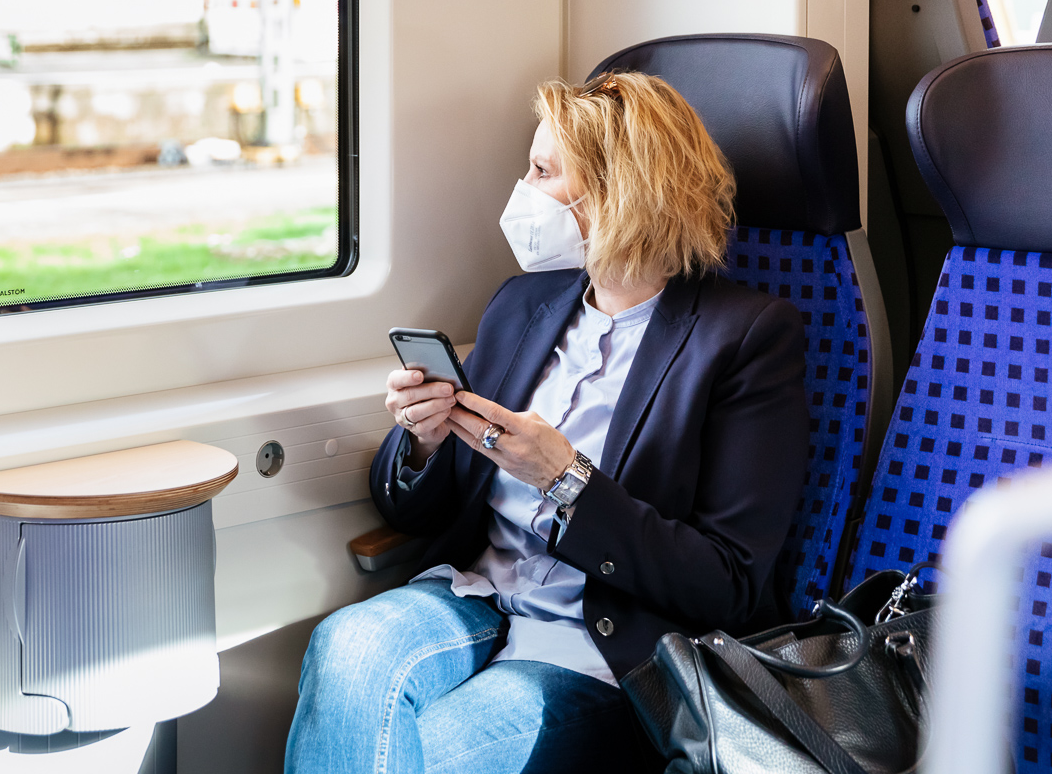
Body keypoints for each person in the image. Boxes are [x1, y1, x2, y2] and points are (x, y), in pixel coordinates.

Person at [285, 71, 810, 774]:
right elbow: (415, 509)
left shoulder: (744, 337)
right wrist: (424, 439)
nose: (522, 191)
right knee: (345, 646)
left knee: (429, 758)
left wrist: (566, 480)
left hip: (603, 641)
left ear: (616, 192)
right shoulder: (523, 303)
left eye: (542, 171)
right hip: (476, 593)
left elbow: (729, 582)